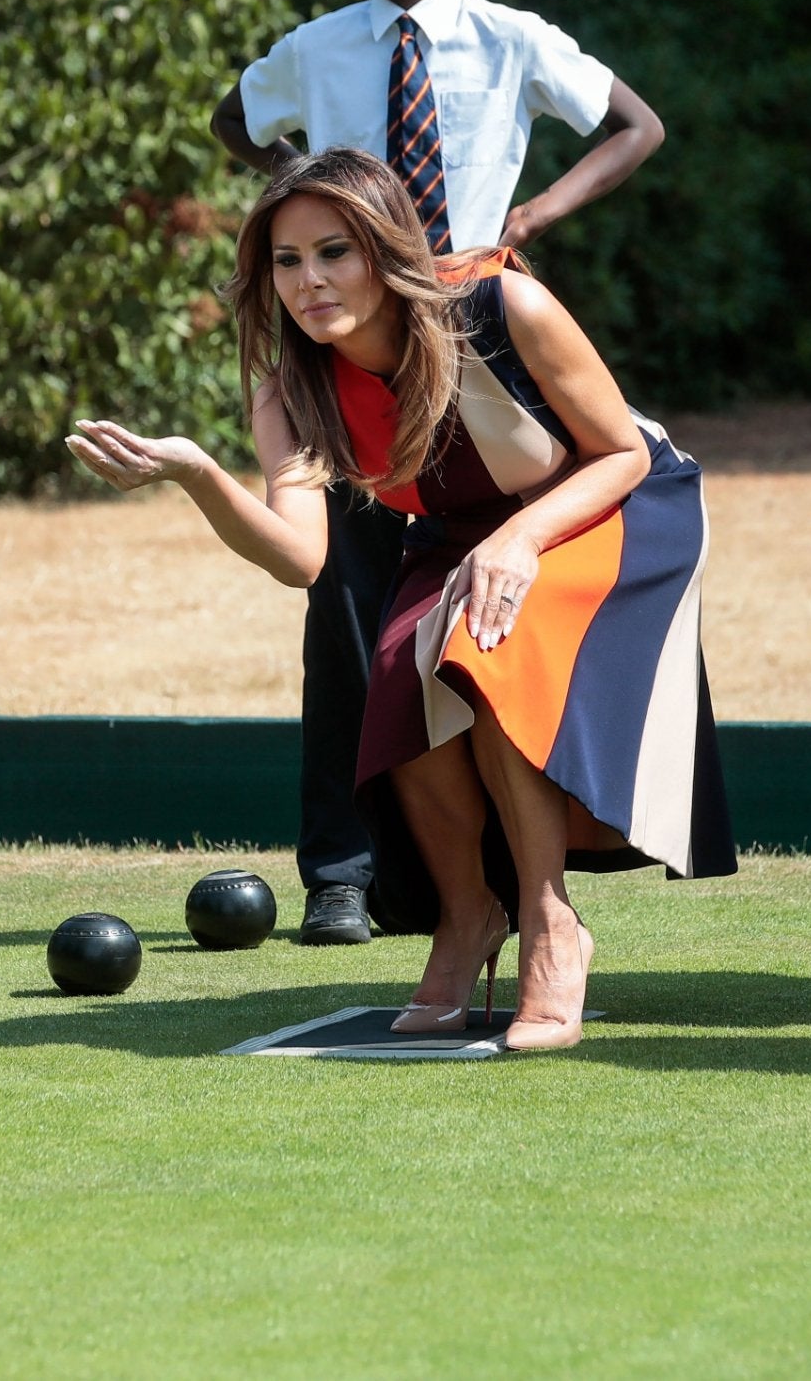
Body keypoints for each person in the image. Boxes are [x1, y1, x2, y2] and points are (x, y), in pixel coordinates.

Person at [71, 149, 731, 1050]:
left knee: (485, 644)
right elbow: (302, 558)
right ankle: (468, 918)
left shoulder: (503, 307)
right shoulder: (290, 388)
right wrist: (195, 472)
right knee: (398, 676)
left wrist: (520, 539)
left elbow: (623, 454)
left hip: (613, 506)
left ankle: (550, 923)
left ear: (385, 248)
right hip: (462, 531)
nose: (310, 281)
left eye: (334, 251)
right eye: (287, 260)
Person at [210, 0, 669, 943]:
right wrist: (308, 202)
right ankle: (341, 870)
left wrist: (534, 219)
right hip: (352, 345)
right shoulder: (315, 48)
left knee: (480, 613)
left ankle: (514, 878)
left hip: (469, 333)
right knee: (348, 614)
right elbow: (233, 121)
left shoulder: (511, 40)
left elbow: (636, 124)